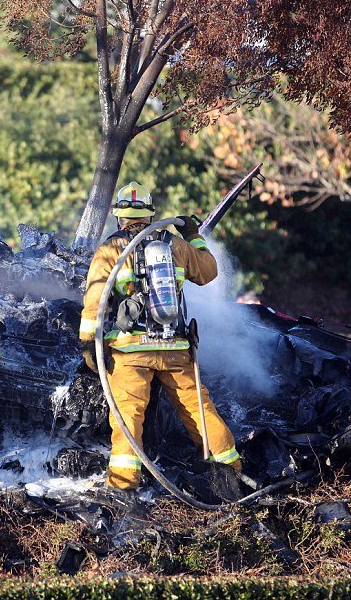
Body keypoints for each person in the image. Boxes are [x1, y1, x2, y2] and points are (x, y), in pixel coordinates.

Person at [78, 181, 241, 497]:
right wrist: (193, 235)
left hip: (130, 351)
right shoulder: (174, 246)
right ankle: (229, 474)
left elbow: (94, 302)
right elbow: (209, 271)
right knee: (199, 410)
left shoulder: (110, 250)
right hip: (174, 346)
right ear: (150, 216)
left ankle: (122, 490)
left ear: (119, 217)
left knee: (128, 419)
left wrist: (88, 345)